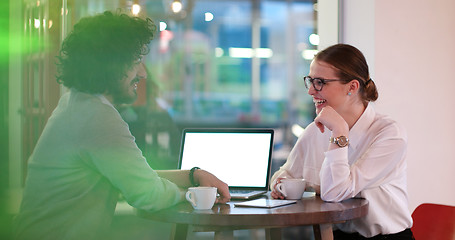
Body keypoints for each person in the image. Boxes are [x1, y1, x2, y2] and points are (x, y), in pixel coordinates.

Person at [13, 11, 230, 240]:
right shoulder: (96, 117)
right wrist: (195, 194)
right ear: (110, 64)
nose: (143, 73)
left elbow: (136, 177)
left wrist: (193, 176)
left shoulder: (77, 104)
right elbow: (147, 194)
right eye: (136, 61)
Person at [270, 44, 414, 239]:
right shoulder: (315, 130)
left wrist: (339, 130)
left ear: (352, 87)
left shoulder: (389, 134)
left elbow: (334, 192)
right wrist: (280, 185)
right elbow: (284, 174)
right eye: (310, 81)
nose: (311, 91)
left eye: (320, 82)